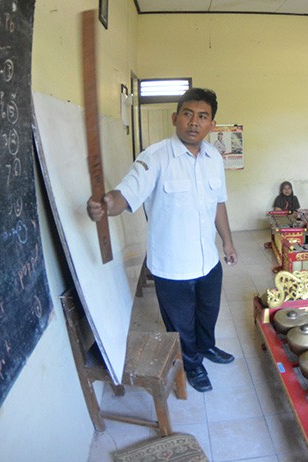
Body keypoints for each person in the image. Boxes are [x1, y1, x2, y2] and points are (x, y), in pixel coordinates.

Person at [86, 88, 238, 393]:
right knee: (180, 325)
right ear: (174, 118)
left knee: (207, 313)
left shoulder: (213, 158)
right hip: (172, 267)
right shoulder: (154, 157)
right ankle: (191, 363)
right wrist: (106, 204)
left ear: (211, 125)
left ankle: (206, 346)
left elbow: (218, 203)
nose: (194, 122)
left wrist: (228, 242)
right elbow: (125, 193)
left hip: (208, 261)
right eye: (187, 114)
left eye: (202, 117)